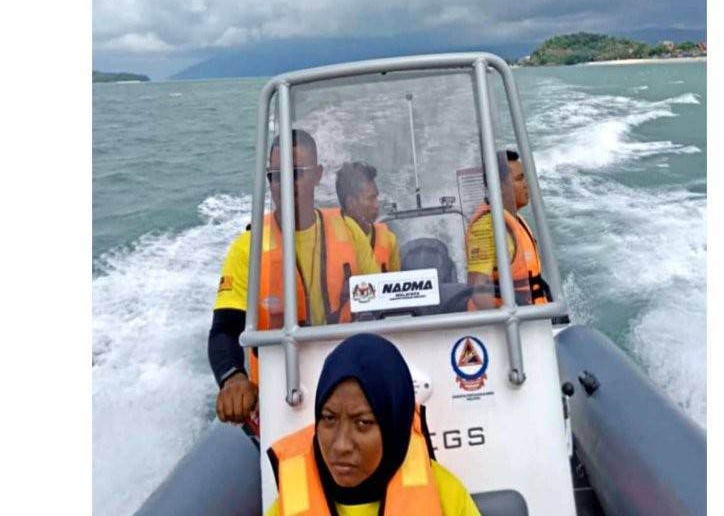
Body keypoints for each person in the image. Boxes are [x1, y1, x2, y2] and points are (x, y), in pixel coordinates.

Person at [208, 129, 380, 424]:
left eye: (297, 173)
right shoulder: (247, 249)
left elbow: (382, 307)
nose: (285, 184)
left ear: (317, 174)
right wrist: (233, 378)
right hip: (280, 399)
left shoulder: (349, 231)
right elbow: (224, 331)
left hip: (351, 386)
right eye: (275, 176)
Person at [265, 333, 480, 516]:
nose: (341, 446)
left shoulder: (447, 496)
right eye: (329, 418)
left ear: (393, 425)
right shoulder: (288, 505)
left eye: (363, 423)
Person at [465, 151, 550, 310]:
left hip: (534, 321)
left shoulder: (514, 219)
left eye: (525, 177)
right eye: (519, 179)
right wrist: (508, 326)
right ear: (499, 186)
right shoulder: (488, 226)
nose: (527, 184)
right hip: (510, 328)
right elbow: (478, 289)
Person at [335, 161, 401, 273]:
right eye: (371, 198)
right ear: (351, 203)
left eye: (376, 198)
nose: (377, 205)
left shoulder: (389, 240)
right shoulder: (327, 243)